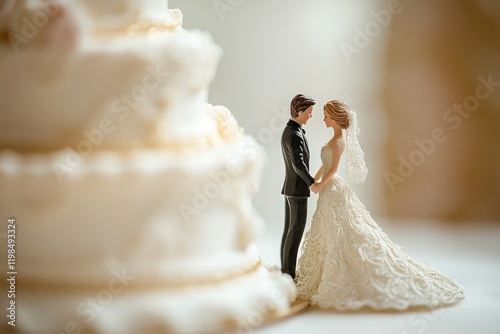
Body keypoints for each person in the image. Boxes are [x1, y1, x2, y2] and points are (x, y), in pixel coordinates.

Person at [296, 99, 465, 310]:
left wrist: (320, 184)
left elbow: (334, 169)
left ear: (336, 119)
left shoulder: (339, 142)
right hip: (327, 188)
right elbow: (324, 165)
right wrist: (315, 178)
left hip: (332, 187)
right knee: (327, 225)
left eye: (327, 116)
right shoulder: (333, 140)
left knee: (341, 226)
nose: (324, 119)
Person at [280, 94, 318, 279]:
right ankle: (288, 274)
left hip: (291, 188)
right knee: (295, 232)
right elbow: (298, 164)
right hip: (298, 190)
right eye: (309, 112)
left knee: (289, 230)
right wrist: (312, 183)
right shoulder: (294, 134)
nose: (311, 116)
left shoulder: (292, 131)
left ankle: (285, 270)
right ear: (300, 111)